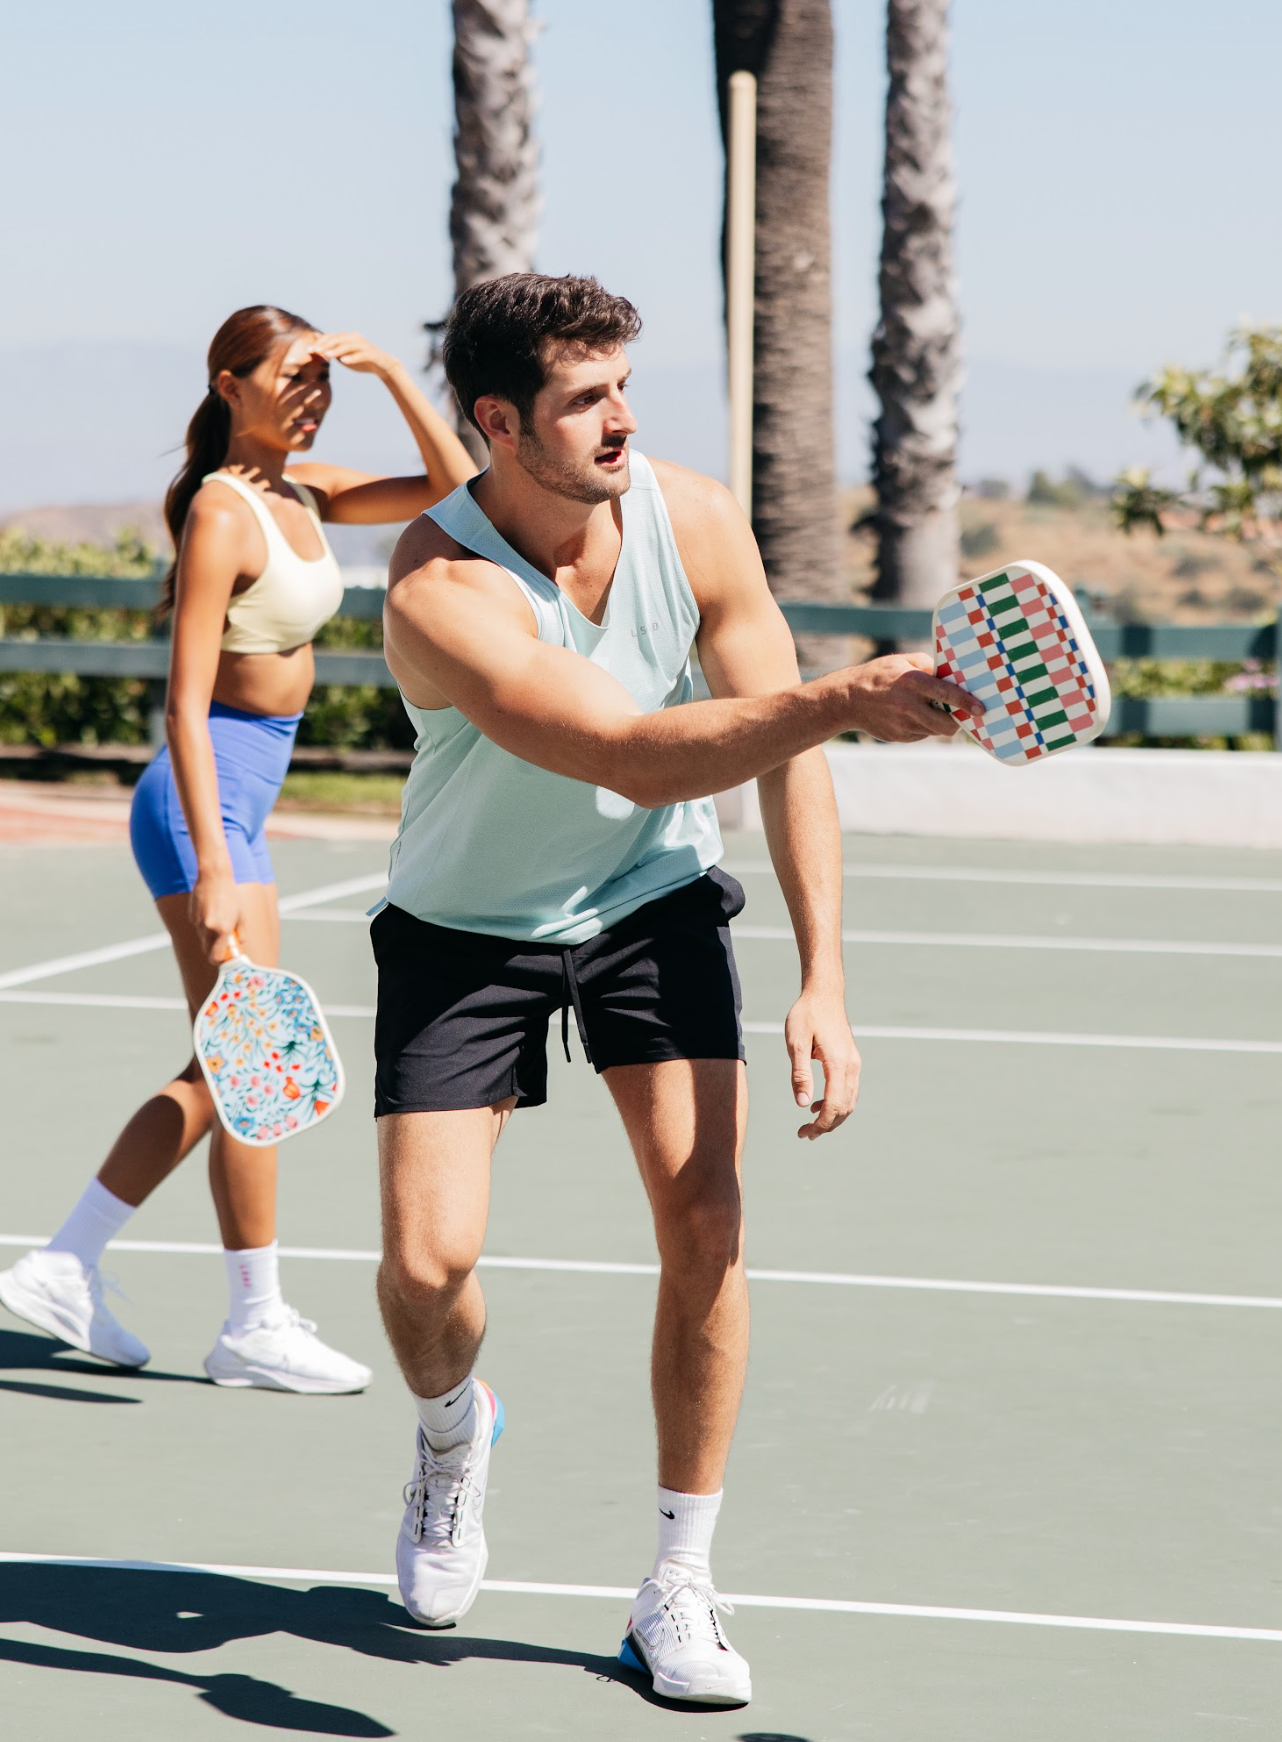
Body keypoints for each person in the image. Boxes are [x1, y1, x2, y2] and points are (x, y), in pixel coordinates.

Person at [372, 273, 981, 1705]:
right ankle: (453, 1432)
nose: (618, 419)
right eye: (583, 397)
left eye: (622, 385)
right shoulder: (436, 583)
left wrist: (823, 973)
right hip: (466, 925)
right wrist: (839, 694)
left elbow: (779, 752)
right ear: (497, 422)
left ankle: (677, 1578)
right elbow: (632, 750)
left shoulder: (692, 517)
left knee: (706, 1217)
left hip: (648, 901)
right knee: (423, 1268)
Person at [0, 304, 475, 1393]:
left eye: (324, 384)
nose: (311, 399)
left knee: (244, 1058)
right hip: (200, 800)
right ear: (230, 384)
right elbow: (183, 702)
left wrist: (399, 374)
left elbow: (460, 489)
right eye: (292, 379)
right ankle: (181, 1296)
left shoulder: (303, 494)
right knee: (254, 1058)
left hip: (238, 807)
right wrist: (215, 858)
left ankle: (98, 1267)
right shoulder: (222, 511)